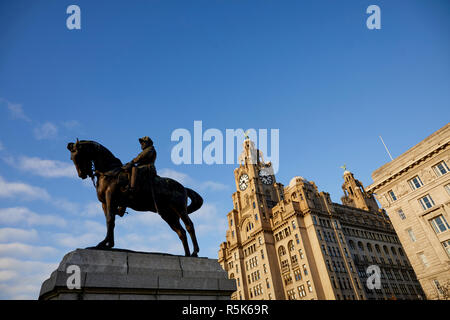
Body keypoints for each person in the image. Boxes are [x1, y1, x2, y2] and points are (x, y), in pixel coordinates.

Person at [117, 136, 157, 216]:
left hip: (148, 168)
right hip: (142, 167)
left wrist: (132, 162)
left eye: (143, 142)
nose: (141, 144)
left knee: (134, 169)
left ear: (147, 143)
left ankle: (132, 188)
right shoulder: (146, 150)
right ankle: (123, 204)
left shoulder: (150, 149)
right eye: (141, 143)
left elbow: (140, 158)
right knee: (128, 170)